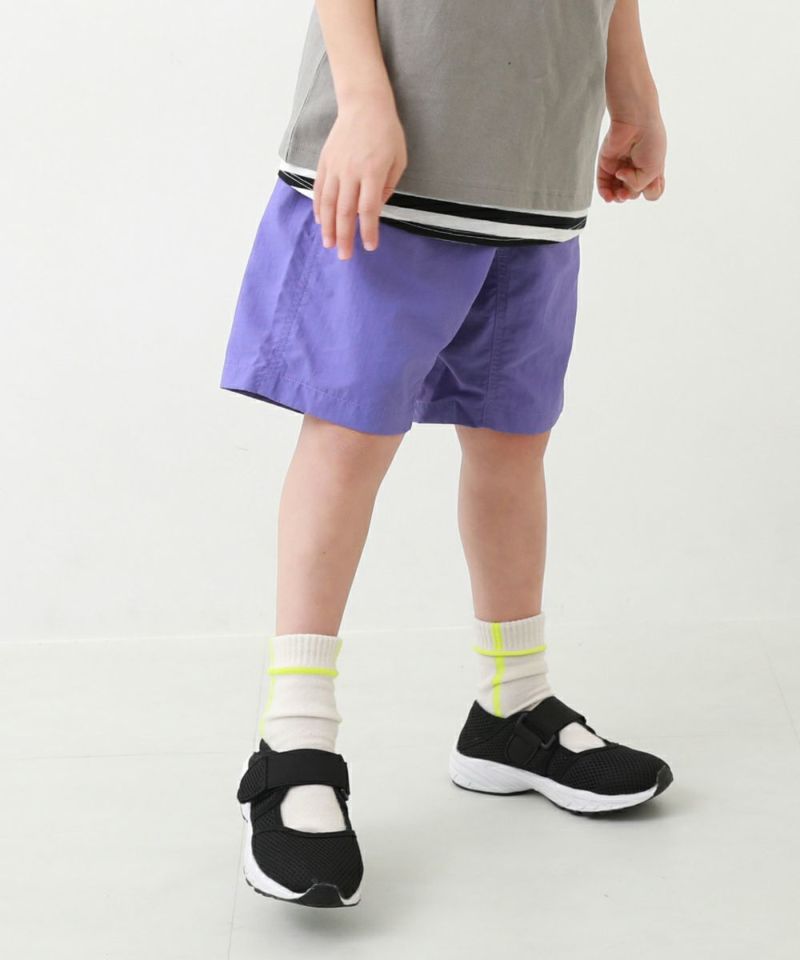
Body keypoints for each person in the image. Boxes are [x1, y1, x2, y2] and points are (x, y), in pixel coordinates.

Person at [223, 0, 670, 909]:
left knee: (514, 435)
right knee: (350, 431)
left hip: (537, 153)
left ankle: (514, 704)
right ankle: (294, 738)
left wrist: (633, 87)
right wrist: (361, 97)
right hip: (394, 143)